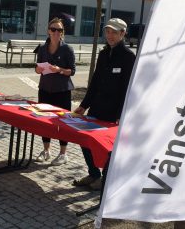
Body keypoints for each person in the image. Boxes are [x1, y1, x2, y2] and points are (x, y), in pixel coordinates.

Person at [73, 18, 136, 190]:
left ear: (123, 34)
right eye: (108, 31)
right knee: (85, 140)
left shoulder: (128, 57)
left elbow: (127, 90)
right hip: (97, 108)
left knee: (109, 147)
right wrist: (84, 105)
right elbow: (95, 82)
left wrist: (120, 115)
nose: (110, 35)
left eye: (114, 32)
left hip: (113, 112)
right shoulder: (103, 54)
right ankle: (93, 173)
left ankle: (106, 180)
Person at [35, 18, 76, 166]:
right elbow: (37, 67)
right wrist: (38, 69)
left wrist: (59, 70)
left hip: (62, 91)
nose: (56, 33)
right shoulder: (42, 48)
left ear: (63, 33)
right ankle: (46, 150)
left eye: (60, 30)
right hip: (45, 89)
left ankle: (63, 153)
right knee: (45, 121)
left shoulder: (67, 49)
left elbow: (72, 71)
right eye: (53, 29)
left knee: (62, 122)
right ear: (48, 31)